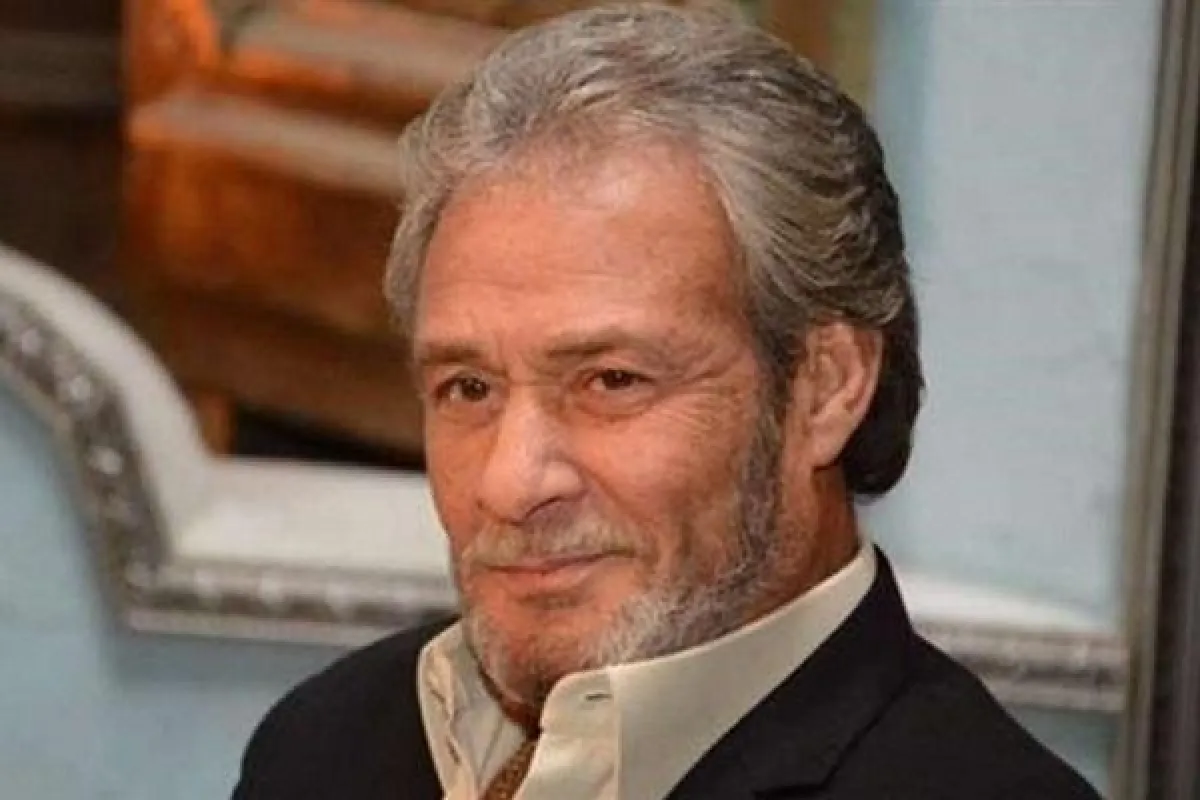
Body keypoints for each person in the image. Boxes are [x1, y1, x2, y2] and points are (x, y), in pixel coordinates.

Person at [232, 4, 1102, 799]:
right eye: (469, 388)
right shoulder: (325, 748)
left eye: (611, 381)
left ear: (825, 387)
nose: (509, 482)